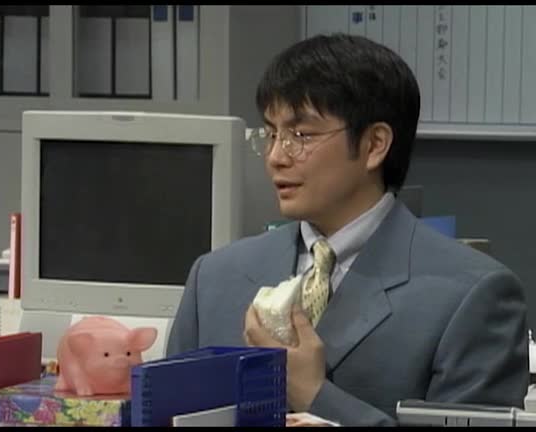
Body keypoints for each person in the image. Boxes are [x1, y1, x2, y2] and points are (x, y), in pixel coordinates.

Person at [166, 33, 529, 426]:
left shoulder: (472, 295)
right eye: (271, 134)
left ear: (374, 145)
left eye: (301, 136)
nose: (275, 157)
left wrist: (315, 395)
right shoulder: (215, 278)